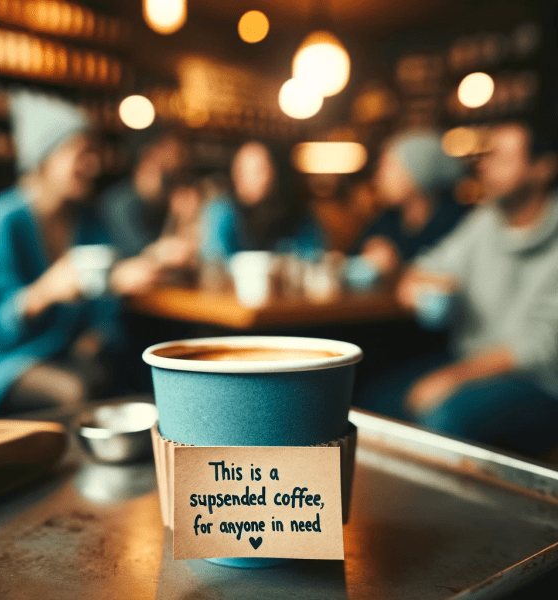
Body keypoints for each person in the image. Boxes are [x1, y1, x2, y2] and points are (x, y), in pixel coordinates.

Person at [357, 121, 558, 458]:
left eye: (503, 158)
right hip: (473, 361)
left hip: (540, 383)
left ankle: (438, 513)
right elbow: (432, 265)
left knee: (444, 415)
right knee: (368, 402)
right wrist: (417, 283)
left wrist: (454, 377)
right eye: (488, 156)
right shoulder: (486, 220)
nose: (486, 166)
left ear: (542, 168)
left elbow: (540, 349)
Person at [0, 91, 160, 418]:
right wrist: (45, 291)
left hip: (60, 352)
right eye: (82, 154)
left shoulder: (86, 219)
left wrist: (100, 330)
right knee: (76, 390)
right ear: (45, 158)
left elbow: (102, 303)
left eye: (95, 154)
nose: (94, 165)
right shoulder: (2, 221)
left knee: (120, 374)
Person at [345, 130, 468, 289]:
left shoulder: (459, 224)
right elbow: (348, 264)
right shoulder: (386, 222)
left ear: (418, 172)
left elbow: (455, 281)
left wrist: (397, 270)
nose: (378, 176)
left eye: (387, 167)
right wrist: (364, 259)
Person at [199, 141, 326, 261]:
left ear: (274, 172)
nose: (249, 177)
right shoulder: (222, 211)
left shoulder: (294, 213)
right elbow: (214, 259)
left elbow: (316, 254)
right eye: (244, 170)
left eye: (259, 170)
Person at [100, 129, 193, 260]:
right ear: (150, 152)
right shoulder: (117, 203)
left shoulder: (174, 198)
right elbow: (138, 256)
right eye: (173, 148)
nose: (183, 154)